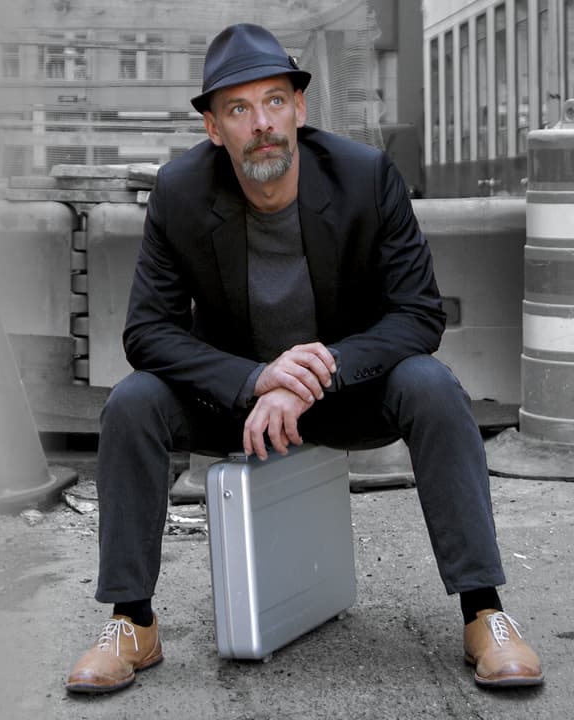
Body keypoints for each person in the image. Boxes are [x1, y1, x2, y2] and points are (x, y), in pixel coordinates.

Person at [64, 23, 543, 694]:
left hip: (348, 394)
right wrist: (256, 378)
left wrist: (317, 373)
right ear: (213, 128)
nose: (261, 123)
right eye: (238, 108)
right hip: (236, 404)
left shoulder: (365, 177)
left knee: (433, 385)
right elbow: (148, 332)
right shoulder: (179, 191)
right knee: (133, 401)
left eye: (274, 101)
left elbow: (419, 313)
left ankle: (484, 612)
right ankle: (131, 622)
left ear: (299, 108)